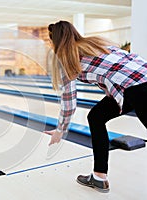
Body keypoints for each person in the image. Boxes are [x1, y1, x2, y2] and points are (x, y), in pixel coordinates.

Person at [44, 20, 147, 193]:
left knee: (96, 116)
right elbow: (128, 61)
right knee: (96, 116)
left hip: (137, 90)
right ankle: (99, 176)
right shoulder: (97, 43)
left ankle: (99, 176)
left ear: (55, 41)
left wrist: (60, 130)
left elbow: (69, 103)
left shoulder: (67, 59)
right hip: (136, 83)